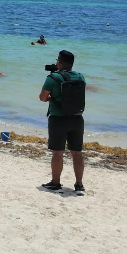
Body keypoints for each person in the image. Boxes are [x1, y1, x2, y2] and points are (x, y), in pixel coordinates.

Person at [39, 50, 86, 196]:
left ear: (59, 62)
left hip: (58, 119)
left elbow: (42, 98)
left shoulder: (52, 78)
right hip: (77, 119)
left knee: (58, 153)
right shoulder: (80, 76)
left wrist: (52, 98)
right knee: (77, 153)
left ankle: (55, 183)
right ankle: (79, 185)